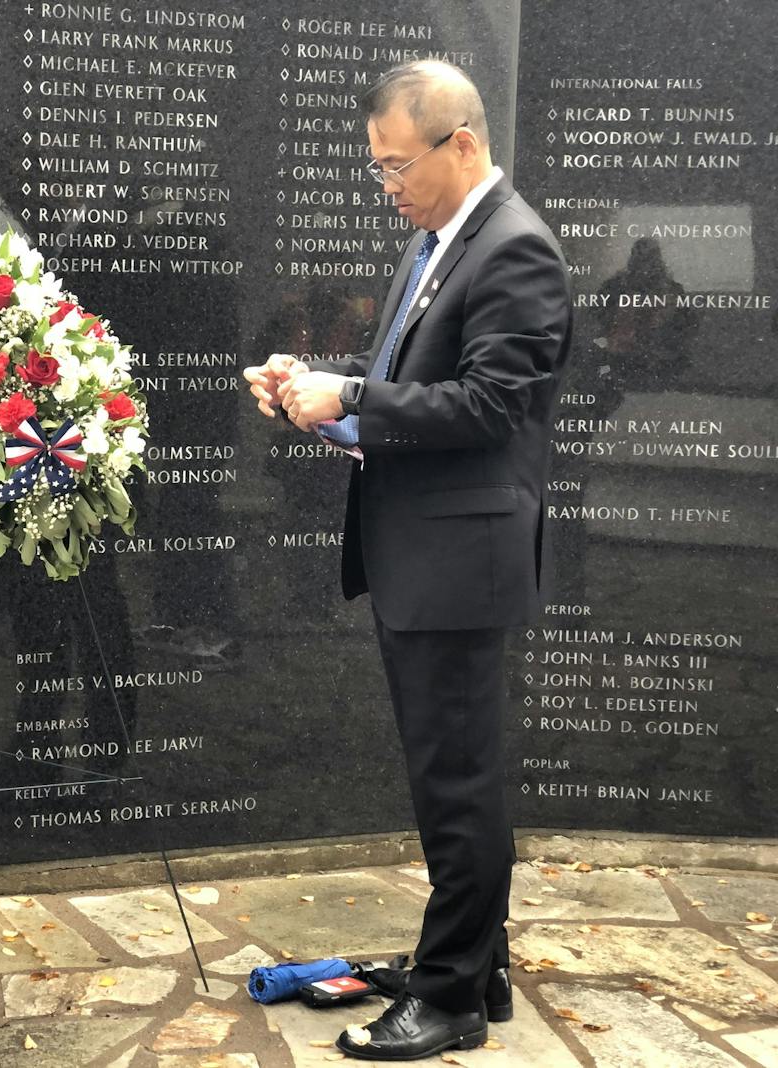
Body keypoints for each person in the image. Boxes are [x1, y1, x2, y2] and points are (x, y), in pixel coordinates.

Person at [244, 61, 573, 1060]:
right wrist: (321, 404)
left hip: (458, 564)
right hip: (419, 552)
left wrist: (348, 396)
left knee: (458, 779)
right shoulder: (434, 242)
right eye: (374, 165)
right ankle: (480, 967)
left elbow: (486, 409)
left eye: (395, 162)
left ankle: (448, 999)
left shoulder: (514, 251)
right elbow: (401, 401)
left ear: (459, 143)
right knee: (447, 776)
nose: (383, 182)